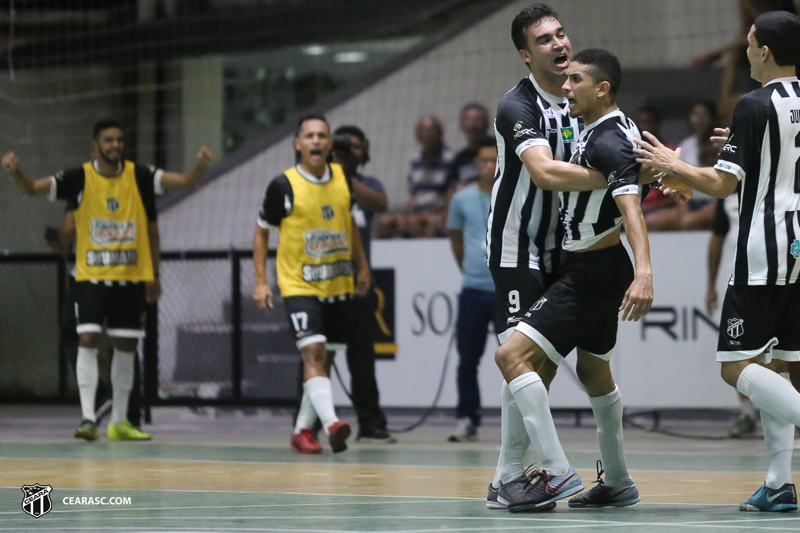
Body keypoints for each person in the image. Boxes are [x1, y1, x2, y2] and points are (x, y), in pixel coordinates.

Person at [634, 10, 800, 512]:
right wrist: (738, 148)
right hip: (797, 244)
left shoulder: (754, 104)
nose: (746, 50)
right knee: (779, 364)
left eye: (749, 43)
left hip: (763, 246)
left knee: (736, 367)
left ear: (764, 51)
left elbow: (724, 185)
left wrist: (671, 163)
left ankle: (779, 479)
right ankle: (778, 482)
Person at [494, 47, 653, 513]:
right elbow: (636, 164)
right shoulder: (612, 128)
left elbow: (631, 208)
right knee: (593, 372)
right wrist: (667, 175)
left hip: (590, 273)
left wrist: (644, 271)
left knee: (511, 355)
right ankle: (618, 481)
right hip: (598, 269)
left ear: (602, 89)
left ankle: (557, 471)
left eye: (576, 81)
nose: (566, 88)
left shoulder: (606, 139)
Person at [484, 3, 619, 512]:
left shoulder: (577, 98)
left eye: (561, 35)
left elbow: (614, 143)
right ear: (526, 55)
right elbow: (542, 172)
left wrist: (664, 171)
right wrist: (622, 179)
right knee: (520, 359)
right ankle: (557, 471)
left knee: (534, 368)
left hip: (562, 251)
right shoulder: (517, 106)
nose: (559, 44)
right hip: (517, 248)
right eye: (544, 40)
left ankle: (506, 479)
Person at [2, 119, 213, 441]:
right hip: (90, 277)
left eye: (119, 139)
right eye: (108, 140)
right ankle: (88, 418)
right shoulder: (78, 178)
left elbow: (184, 181)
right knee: (87, 340)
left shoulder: (140, 175)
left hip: (130, 277)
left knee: (126, 346)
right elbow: (32, 188)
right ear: (95, 147)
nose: (115, 145)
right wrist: (15, 171)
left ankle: (119, 422)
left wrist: (200, 165)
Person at [253, 114, 371, 454]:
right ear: (298, 144)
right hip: (298, 286)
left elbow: (350, 226)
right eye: (310, 136)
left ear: (330, 143)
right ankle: (332, 423)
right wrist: (261, 282)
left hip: (337, 286)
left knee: (326, 357)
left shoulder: (342, 179)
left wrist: (362, 268)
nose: (316, 141)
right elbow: (261, 233)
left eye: (322, 135)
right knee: (314, 352)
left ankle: (301, 431)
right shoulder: (283, 186)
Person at [330, 124, 395, 444]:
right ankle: (310, 424)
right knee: (316, 356)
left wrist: (344, 176)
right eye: (343, 146)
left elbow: (380, 203)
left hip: (358, 281)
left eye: (355, 146)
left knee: (363, 359)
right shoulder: (320, 182)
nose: (349, 151)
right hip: (325, 283)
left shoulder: (363, 183)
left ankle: (370, 423)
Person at [445, 136, 498, 442]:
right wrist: (467, 267)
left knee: (518, 359)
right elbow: (454, 235)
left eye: (495, 160)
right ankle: (467, 416)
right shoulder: (461, 198)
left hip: (506, 291)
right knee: (467, 359)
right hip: (473, 290)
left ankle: (525, 421)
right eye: (484, 160)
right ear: (476, 163)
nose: (490, 166)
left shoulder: (512, 194)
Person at [706, 193, 759, 438]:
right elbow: (717, 237)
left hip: (776, 281)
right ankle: (747, 412)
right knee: (736, 356)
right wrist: (711, 285)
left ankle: (790, 414)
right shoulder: (726, 189)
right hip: (735, 283)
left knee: (783, 356)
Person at [378, 116, 455, 238]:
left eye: (431, 130)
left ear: (440, 134)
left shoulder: (451, 158)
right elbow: (414, 194)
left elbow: (452, 193)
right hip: (418, 211)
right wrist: (407, 214)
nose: (427, 134)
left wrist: (440, 211)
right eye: (422, 130)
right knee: (386, 221)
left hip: (440, 211)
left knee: (426, 223)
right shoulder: (415, 159)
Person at [446, 103, 491, 187]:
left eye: (477, 120)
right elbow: (451, 188)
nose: (472, 125)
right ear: (461, 125)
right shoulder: (460, 159)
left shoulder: (500, 151)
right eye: (467, 120)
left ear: (487, 124)